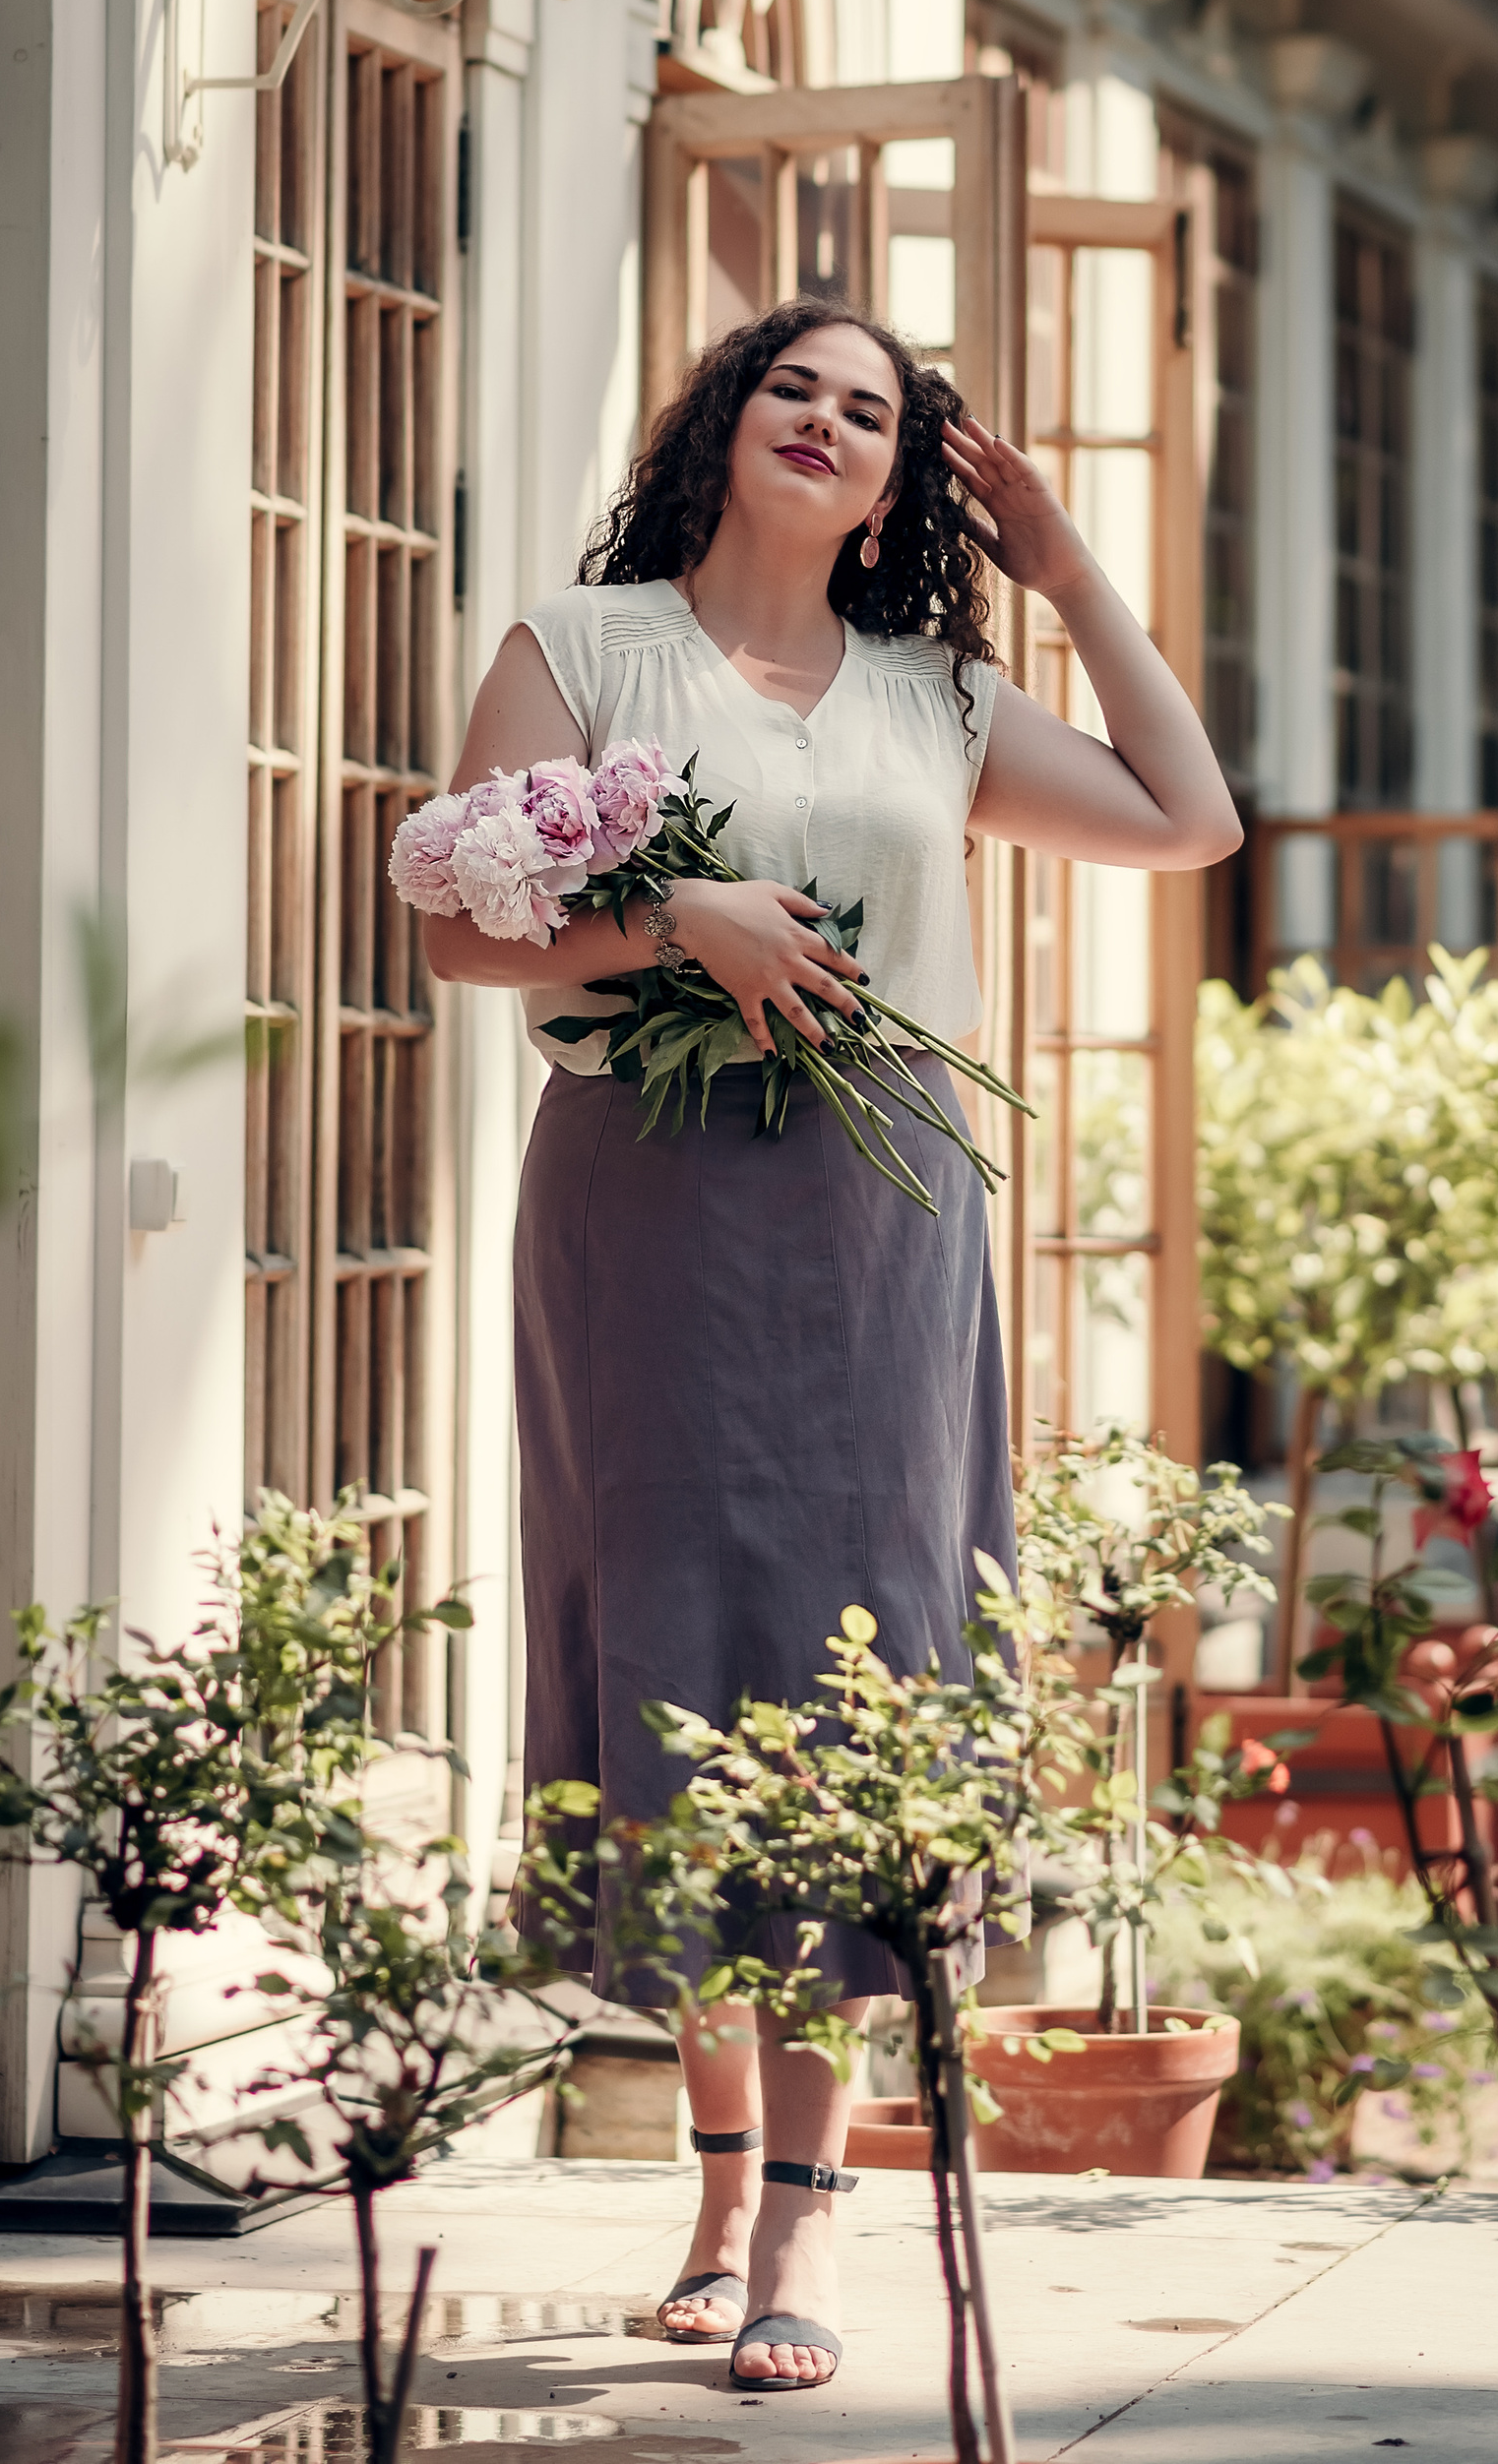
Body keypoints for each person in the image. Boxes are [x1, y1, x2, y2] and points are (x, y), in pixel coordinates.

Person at [427, 295, 1238, 2395]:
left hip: (877, 1219)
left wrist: (1070, 577)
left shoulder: (937, 691)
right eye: (795, 383)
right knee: (681, 1645)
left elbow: (1188, 819)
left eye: (870, 410)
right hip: (638, 1205)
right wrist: (669, 919)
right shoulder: (575, 649)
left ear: (900, 480)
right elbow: (450, 920)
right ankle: (708, 2185)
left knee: (854, 1671)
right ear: (723, 415)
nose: (826, 419)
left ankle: (798, 2232)